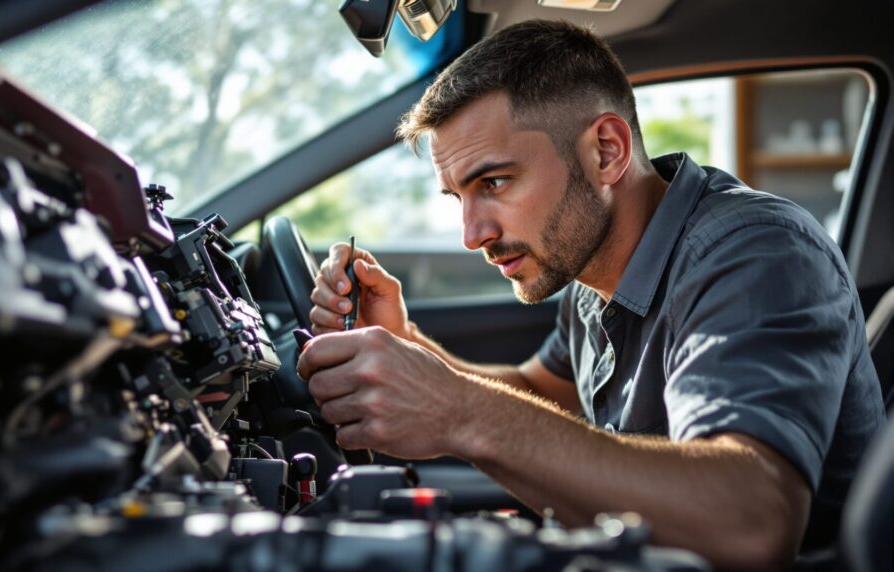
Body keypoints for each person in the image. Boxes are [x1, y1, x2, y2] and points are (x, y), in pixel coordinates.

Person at [295, 19, 885, 570]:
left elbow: (751, 520)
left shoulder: (755, 253)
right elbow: (541, 397)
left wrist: (459, 412)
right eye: (459, 198)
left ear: (606, 151)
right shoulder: (595, 267)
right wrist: (408, 345)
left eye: (494, 183)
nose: (473, 235)